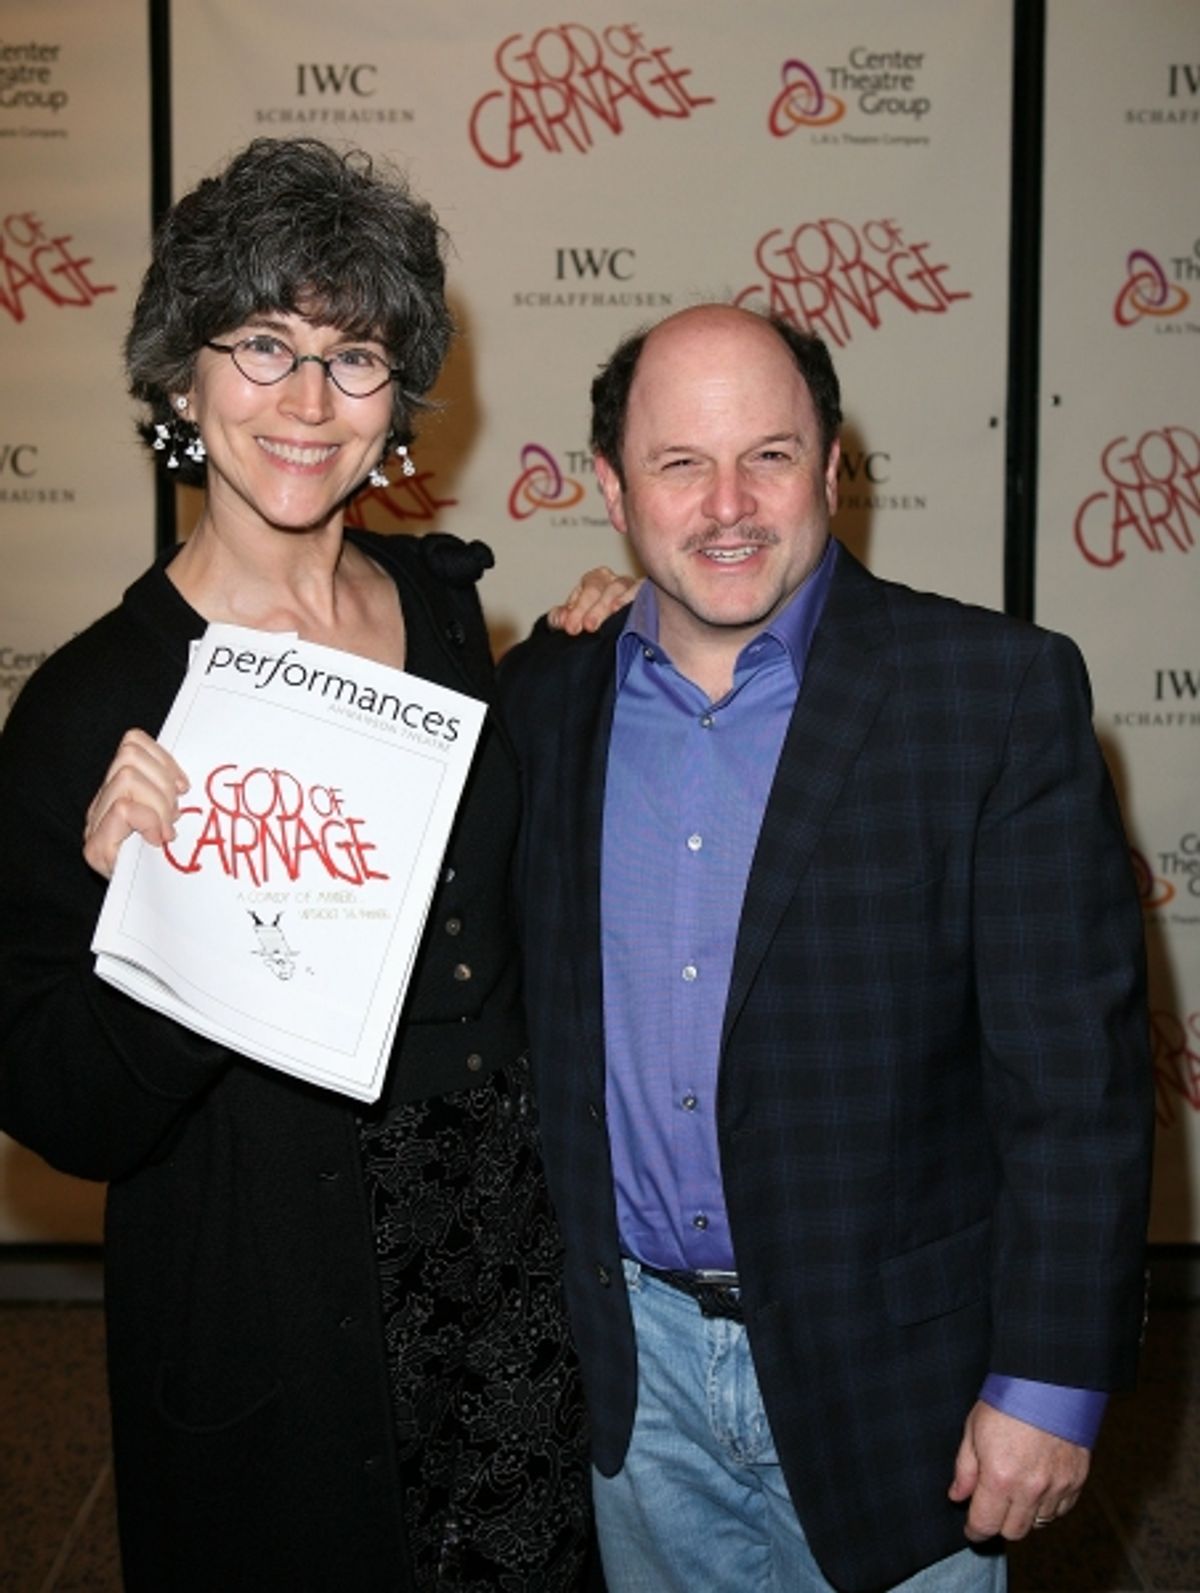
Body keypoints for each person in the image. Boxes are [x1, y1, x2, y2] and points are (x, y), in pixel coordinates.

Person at [0, 137, 628, 1592]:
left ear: (397, 404)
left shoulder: (451, 616)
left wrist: (605, 660)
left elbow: (512, 903)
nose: (303, 401)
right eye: (263, 345)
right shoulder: (93, 711)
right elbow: (60, 1108)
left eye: (353, 358)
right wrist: (165, 919)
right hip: (284, 1316)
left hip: (507, 1283)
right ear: (180, 381)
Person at [497, 304, 1155, 1593]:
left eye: (772, 455)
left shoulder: (992, 695)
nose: (728, 504)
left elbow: (1075, 1088)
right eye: (679, 464)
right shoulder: (544, 699)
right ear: (612, 491)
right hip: (636, 1378)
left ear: (833, 469)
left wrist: (1052, 1383)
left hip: (906, 1382)